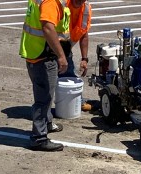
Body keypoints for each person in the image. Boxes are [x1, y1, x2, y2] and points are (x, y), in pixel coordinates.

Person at [19, 0, 71, 152]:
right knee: (43, 98)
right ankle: (39, 138)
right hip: (43, 56)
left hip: (36, 52)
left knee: (47, 94)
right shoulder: (50, 1)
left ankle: (47, 124)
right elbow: (48, 27)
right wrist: (61, 56)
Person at [59, 0, 92, 78]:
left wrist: (84, 59)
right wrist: (60, 56)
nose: (80, 1)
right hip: (50, 49)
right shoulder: (62, 4)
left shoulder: (86, 9)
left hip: (66, 49)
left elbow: (83, 34)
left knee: (68, 78)